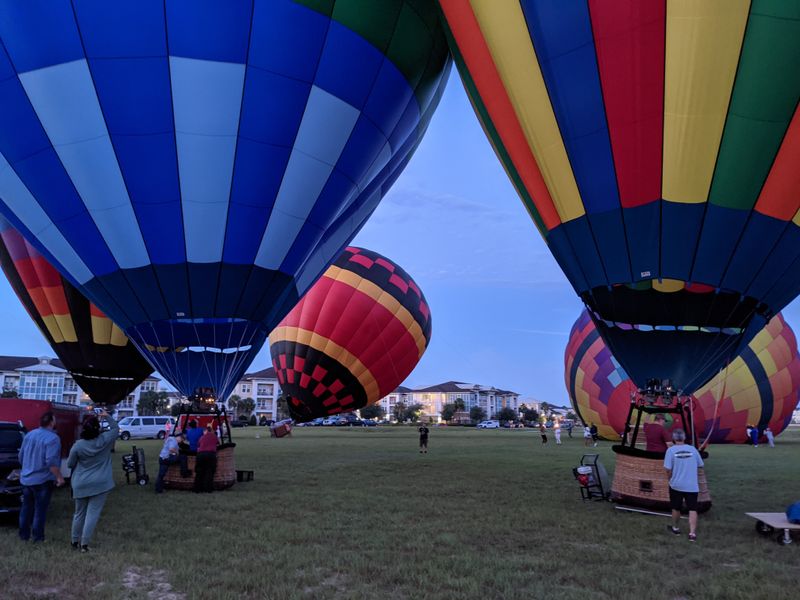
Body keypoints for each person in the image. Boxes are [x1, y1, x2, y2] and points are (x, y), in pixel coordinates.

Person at [67, 410, 118, 552]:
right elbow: (115, 428)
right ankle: (84, 545)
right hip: (101, 483)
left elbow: (70, 464)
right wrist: (106, 416)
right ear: (98, 428)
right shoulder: (106, 440)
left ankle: (74, 542)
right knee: (92, 514)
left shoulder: (78, 445)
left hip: (81, 482)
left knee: (79, 514)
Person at [18, 411, 64, 542]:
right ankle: (38, 538)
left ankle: (24, 536)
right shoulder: (53, 438)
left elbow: (21, 456)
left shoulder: (29, 435)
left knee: (26, 508)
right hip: (43, 480)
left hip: (26, 479)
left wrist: (26, 469)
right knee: (40, 510)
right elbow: (51, 462)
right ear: (52, 422)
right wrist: (60, 478)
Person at [664, 428, 704, 542]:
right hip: (691, 485)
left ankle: (675, 528)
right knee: (692, 508)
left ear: (674, 439)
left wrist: (669, 478)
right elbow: (701, 465)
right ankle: (692, 534)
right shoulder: (693, 449)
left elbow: (667, 469)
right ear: (684, 438)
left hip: (676, 484)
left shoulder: (670, 451)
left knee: (676, 507)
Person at [194, 425, 219, 493]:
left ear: (206, 431)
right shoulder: (214, 436)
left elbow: (198, 444)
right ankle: (208, 489)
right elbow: (217, 443)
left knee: (199, 472)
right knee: (209, 472)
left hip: (201, 455)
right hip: (211, 455)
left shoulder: (202, 437)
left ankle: (197, 489)